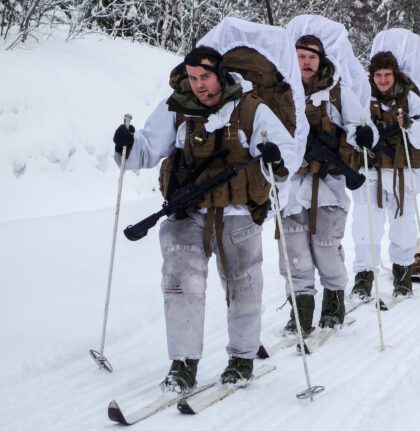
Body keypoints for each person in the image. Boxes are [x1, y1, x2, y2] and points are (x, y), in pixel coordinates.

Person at [111, 46, 298, 392]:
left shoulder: (249, 108)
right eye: (193, 77)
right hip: (188, 212)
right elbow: (147, 150)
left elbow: (286, 153)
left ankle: (241, 359)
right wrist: (126, 145)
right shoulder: (176, 107)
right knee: (180, 279)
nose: (198, 84)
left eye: (205, 76)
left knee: (243, 285)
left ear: (220, 74)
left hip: (238, 211)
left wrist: (273, 157)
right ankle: (183, 364)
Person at [277, 32, 377, 335]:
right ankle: (301, 312)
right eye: (301, 56)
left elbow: (362, 124)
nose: (305, 62)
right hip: (291, 188)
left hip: (330, 185)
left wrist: (363, 136)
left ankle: (334, 304)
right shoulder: (280, 93)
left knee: (326, 249)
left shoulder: (337, 93)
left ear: (320, 61)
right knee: (294, 254)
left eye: (311, 57)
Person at [350, 51, 420, 299]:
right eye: (378, 75)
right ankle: (363, 278)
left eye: (387, 74)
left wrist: (410, 125)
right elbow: (348, 125)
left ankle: (403, 277)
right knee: (366, 224)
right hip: (372, 170)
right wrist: (360, 140)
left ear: (395, 74)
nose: (382, 80)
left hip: (403, 171)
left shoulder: (410, 97)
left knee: (403, 226)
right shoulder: (362, 95)